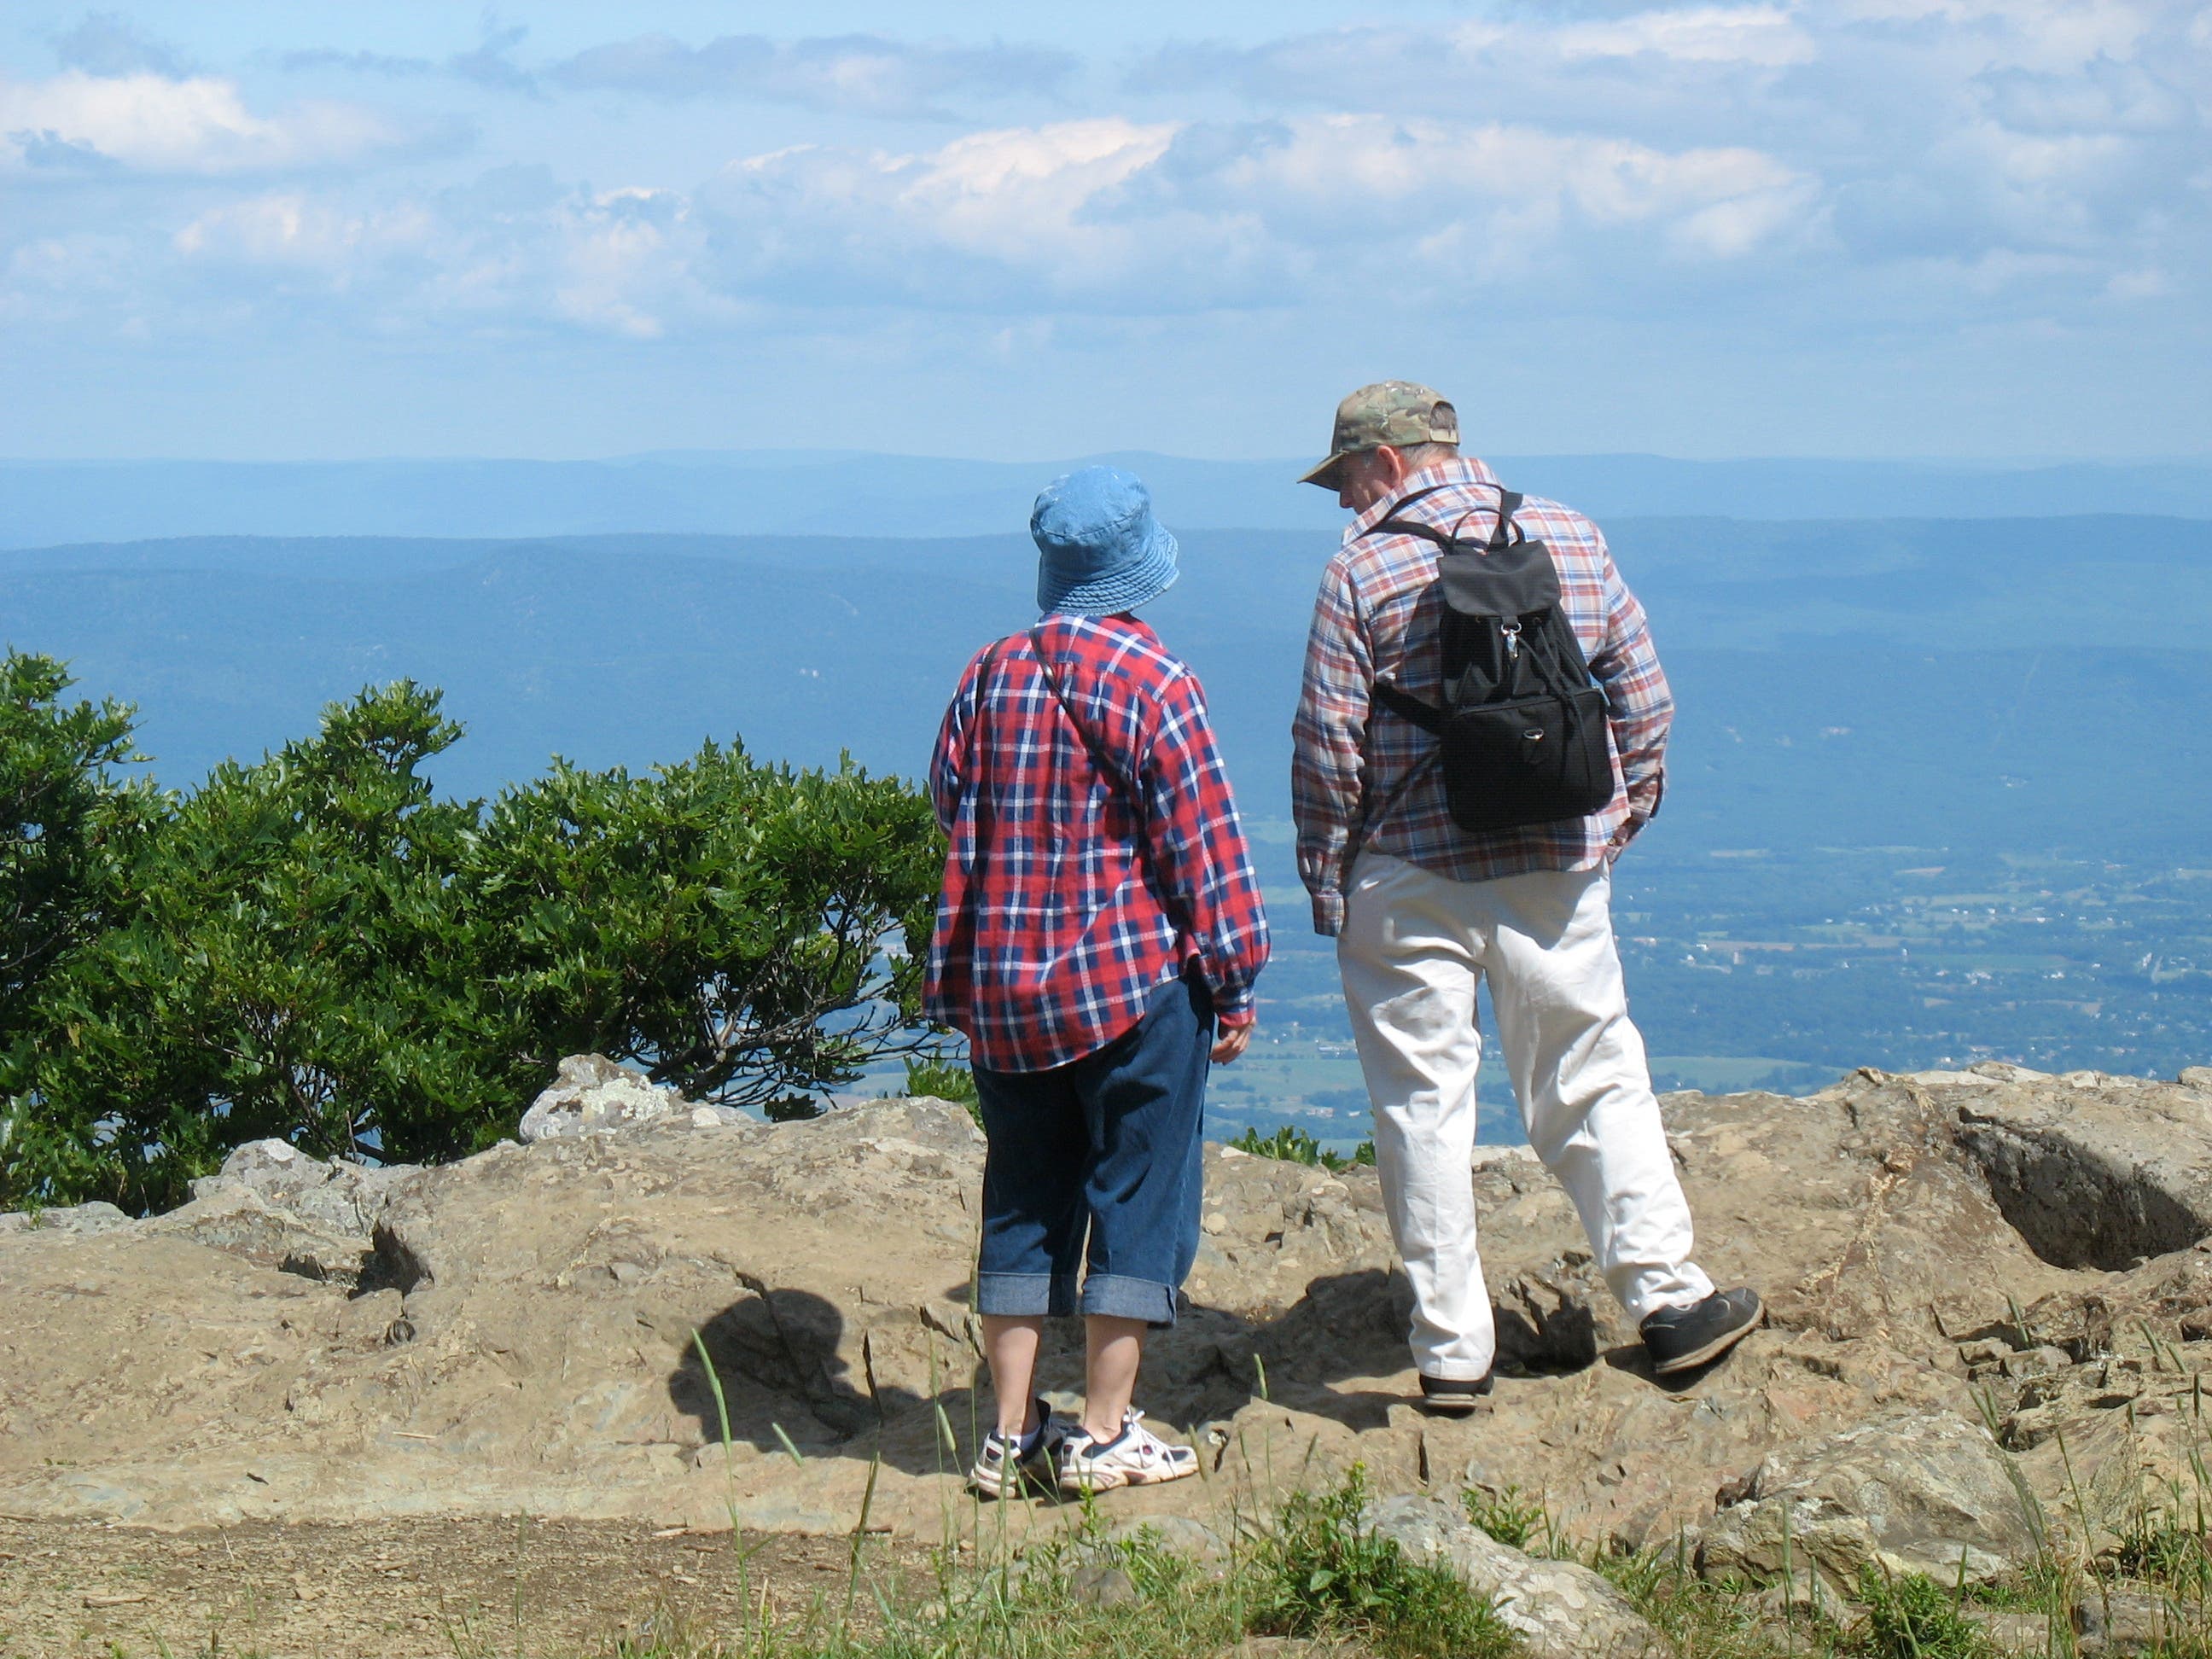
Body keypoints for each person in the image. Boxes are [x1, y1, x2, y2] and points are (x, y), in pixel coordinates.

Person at [1290, 381, 1760, 1412]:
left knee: (1422, 1105)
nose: (1339, 501)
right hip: (1553, 861)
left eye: (1345, 478)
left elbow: (1330, 743)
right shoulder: (1568, 534)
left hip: (1408, 871)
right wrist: (1617, 817)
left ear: (1387, 462)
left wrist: (1331, 878)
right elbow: (1642, 689)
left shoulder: (1361, 566)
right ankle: (1669, 1299)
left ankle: (1454, 1351)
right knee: (1592, 1073)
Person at [925, 464, 1271, 1495]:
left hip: (1002, 992)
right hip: (1131, 988)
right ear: (1139, 567)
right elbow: (1203, 849)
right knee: (1138, 1193)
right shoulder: (1155, 681)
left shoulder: (991, 672)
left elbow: (950, 797)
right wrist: (1235, 978)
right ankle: (1107, 1432)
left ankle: (1008, 1433)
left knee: (1021, 1199)